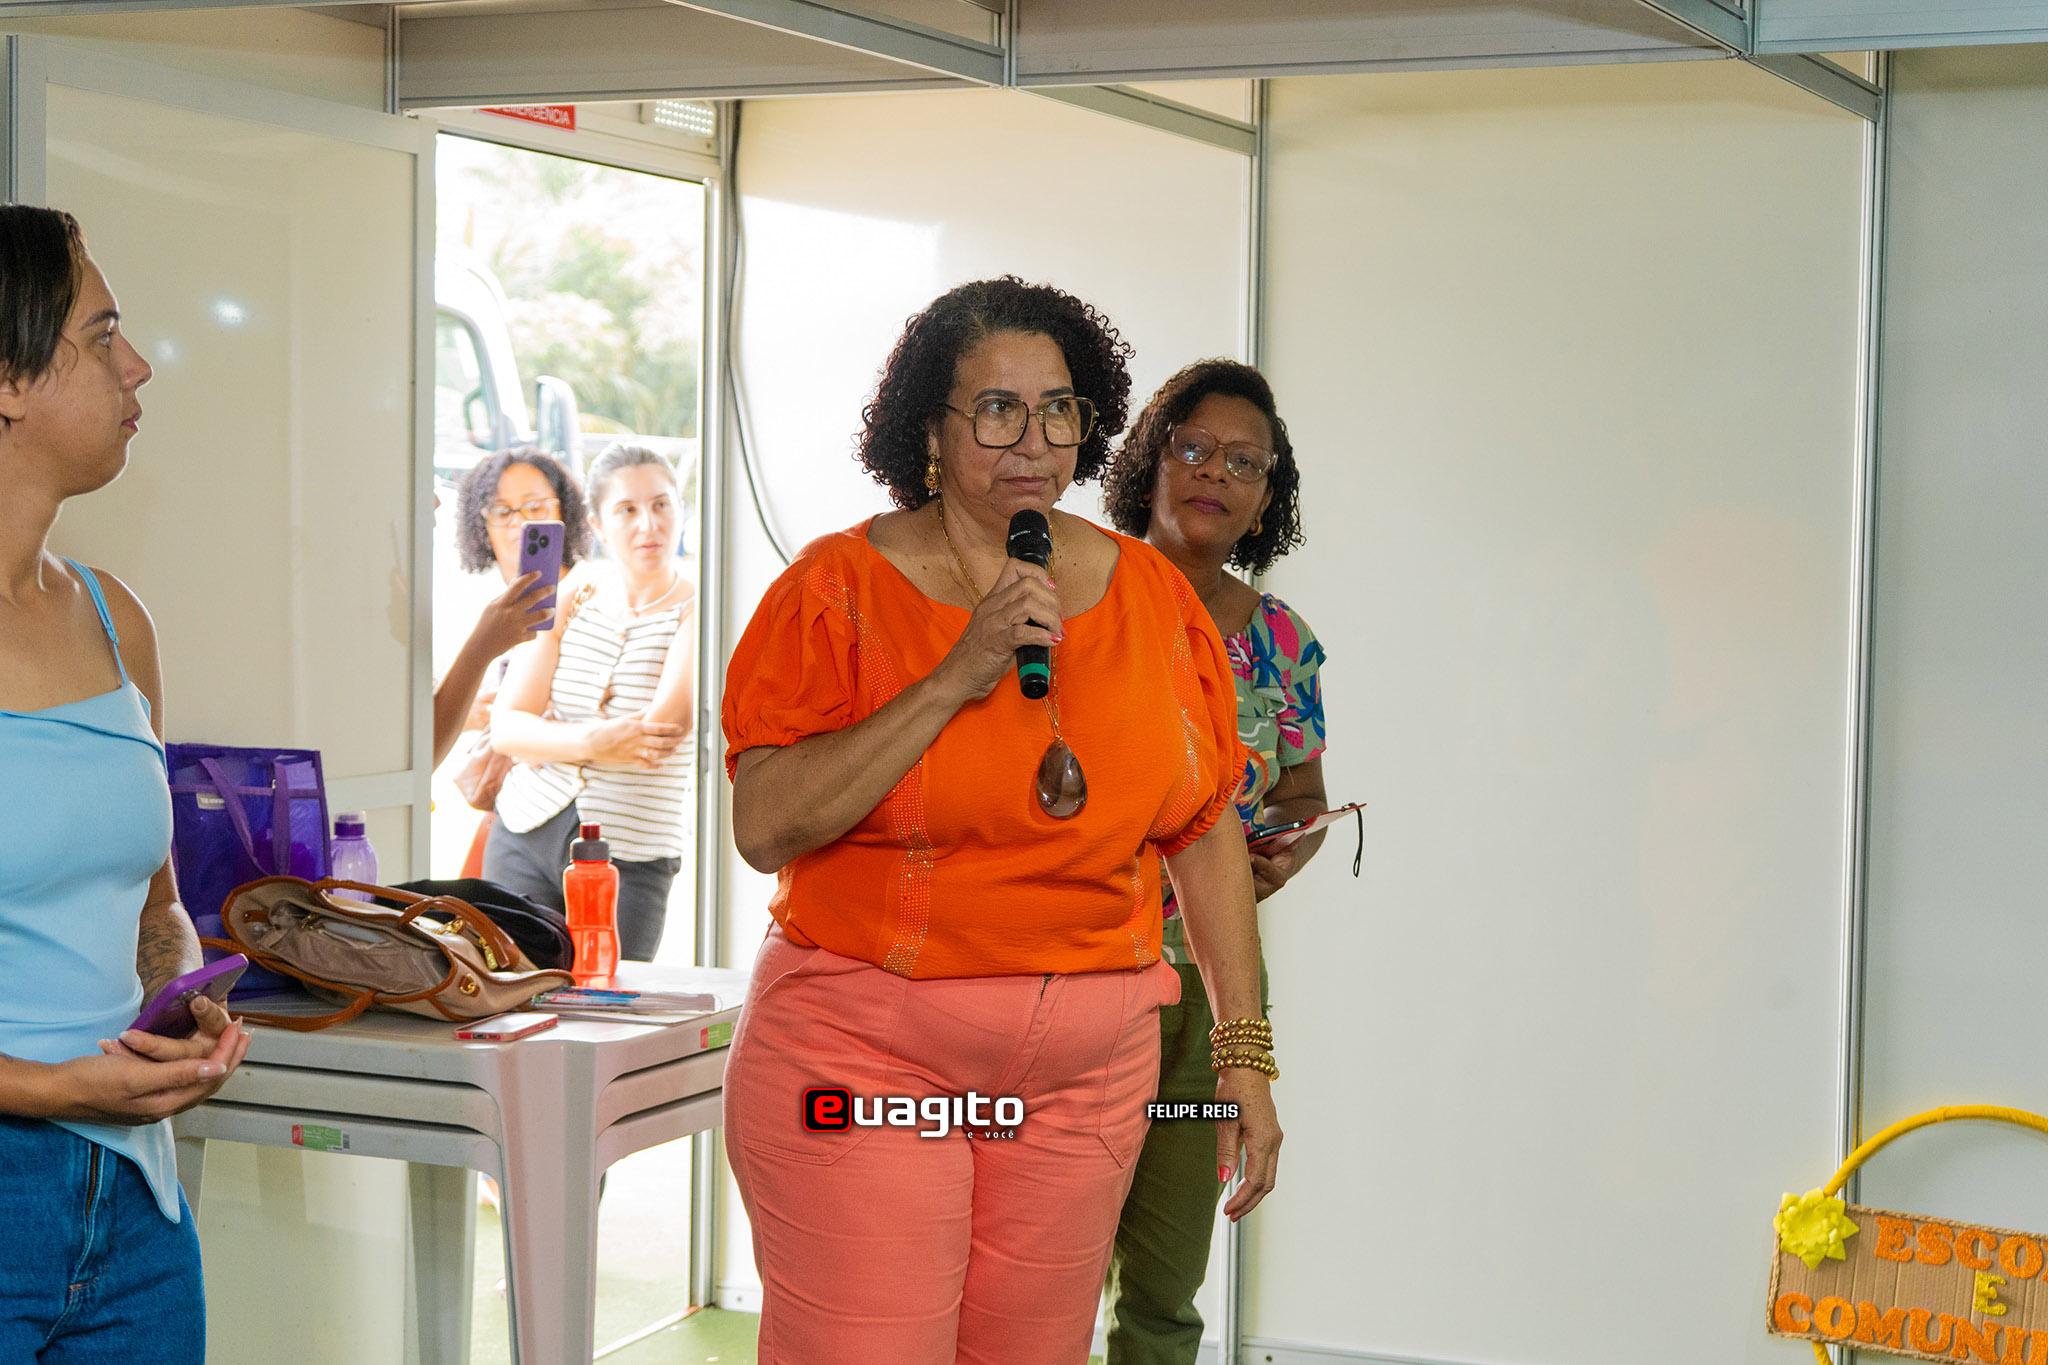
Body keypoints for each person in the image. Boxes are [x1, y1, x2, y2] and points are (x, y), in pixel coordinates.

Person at [719, 277, 1282, 1365]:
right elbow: (764, 826)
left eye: (1058, 409)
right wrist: (954, 674)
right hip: (869, 1075)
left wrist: (1243, 1051)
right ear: (929, 429)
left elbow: (1203, 823)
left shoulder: (1151, 597)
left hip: (1083, 1083)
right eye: (996, 410)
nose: (1033, 440)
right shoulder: (837, 589)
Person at [0, 205, 254, 1361]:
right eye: (102, 336)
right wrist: (52, 1089)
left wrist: (181, 1004)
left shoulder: (115, 619)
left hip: (137, 1206)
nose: (138, 364)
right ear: (9, 381)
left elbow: (158, 908)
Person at [1097, 359, 1329, 1365]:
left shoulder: (1281, 641)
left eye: (1245, 462)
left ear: (1266, 496)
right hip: (1078, 976)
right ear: (1149, 461)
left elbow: (1302, 799)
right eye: (1193, 447)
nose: (1215, 474)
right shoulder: (1080, 599)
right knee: (1039, 1267)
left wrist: (1278, 853)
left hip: (1210, 995)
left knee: (1165, 1287)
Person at [485, 442, 694, 960]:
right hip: (525, 829)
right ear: (598, 524)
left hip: (632, 852)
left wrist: (546, 736)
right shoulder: (573, 596)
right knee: (509, 989)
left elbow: (658, 735)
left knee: (608, 999)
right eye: (627, 509)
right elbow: (507, 729)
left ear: (680, 509)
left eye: (661, 504)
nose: (648, 525)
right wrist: (599, 740)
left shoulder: (701, 610)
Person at [432, 447, 590, 770]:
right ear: (482, 523)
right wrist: (464, 710)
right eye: (503, 511)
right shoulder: (456, 601)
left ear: (564, 510)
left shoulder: (591, 593)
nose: (520, 522)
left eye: (535, 507)